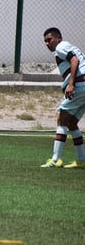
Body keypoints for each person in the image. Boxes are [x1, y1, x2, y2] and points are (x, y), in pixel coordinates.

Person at [41, 27, 85, 169]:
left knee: (62, 120)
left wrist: (71, 83)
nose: (47, 43)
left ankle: (55, 159)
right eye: (45, 41)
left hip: (80, 84)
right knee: (72, 122)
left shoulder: (61, 47)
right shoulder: (69, 47)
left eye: (50, 39)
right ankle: (81, 159)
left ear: (58, 38)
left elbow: (75, 61)